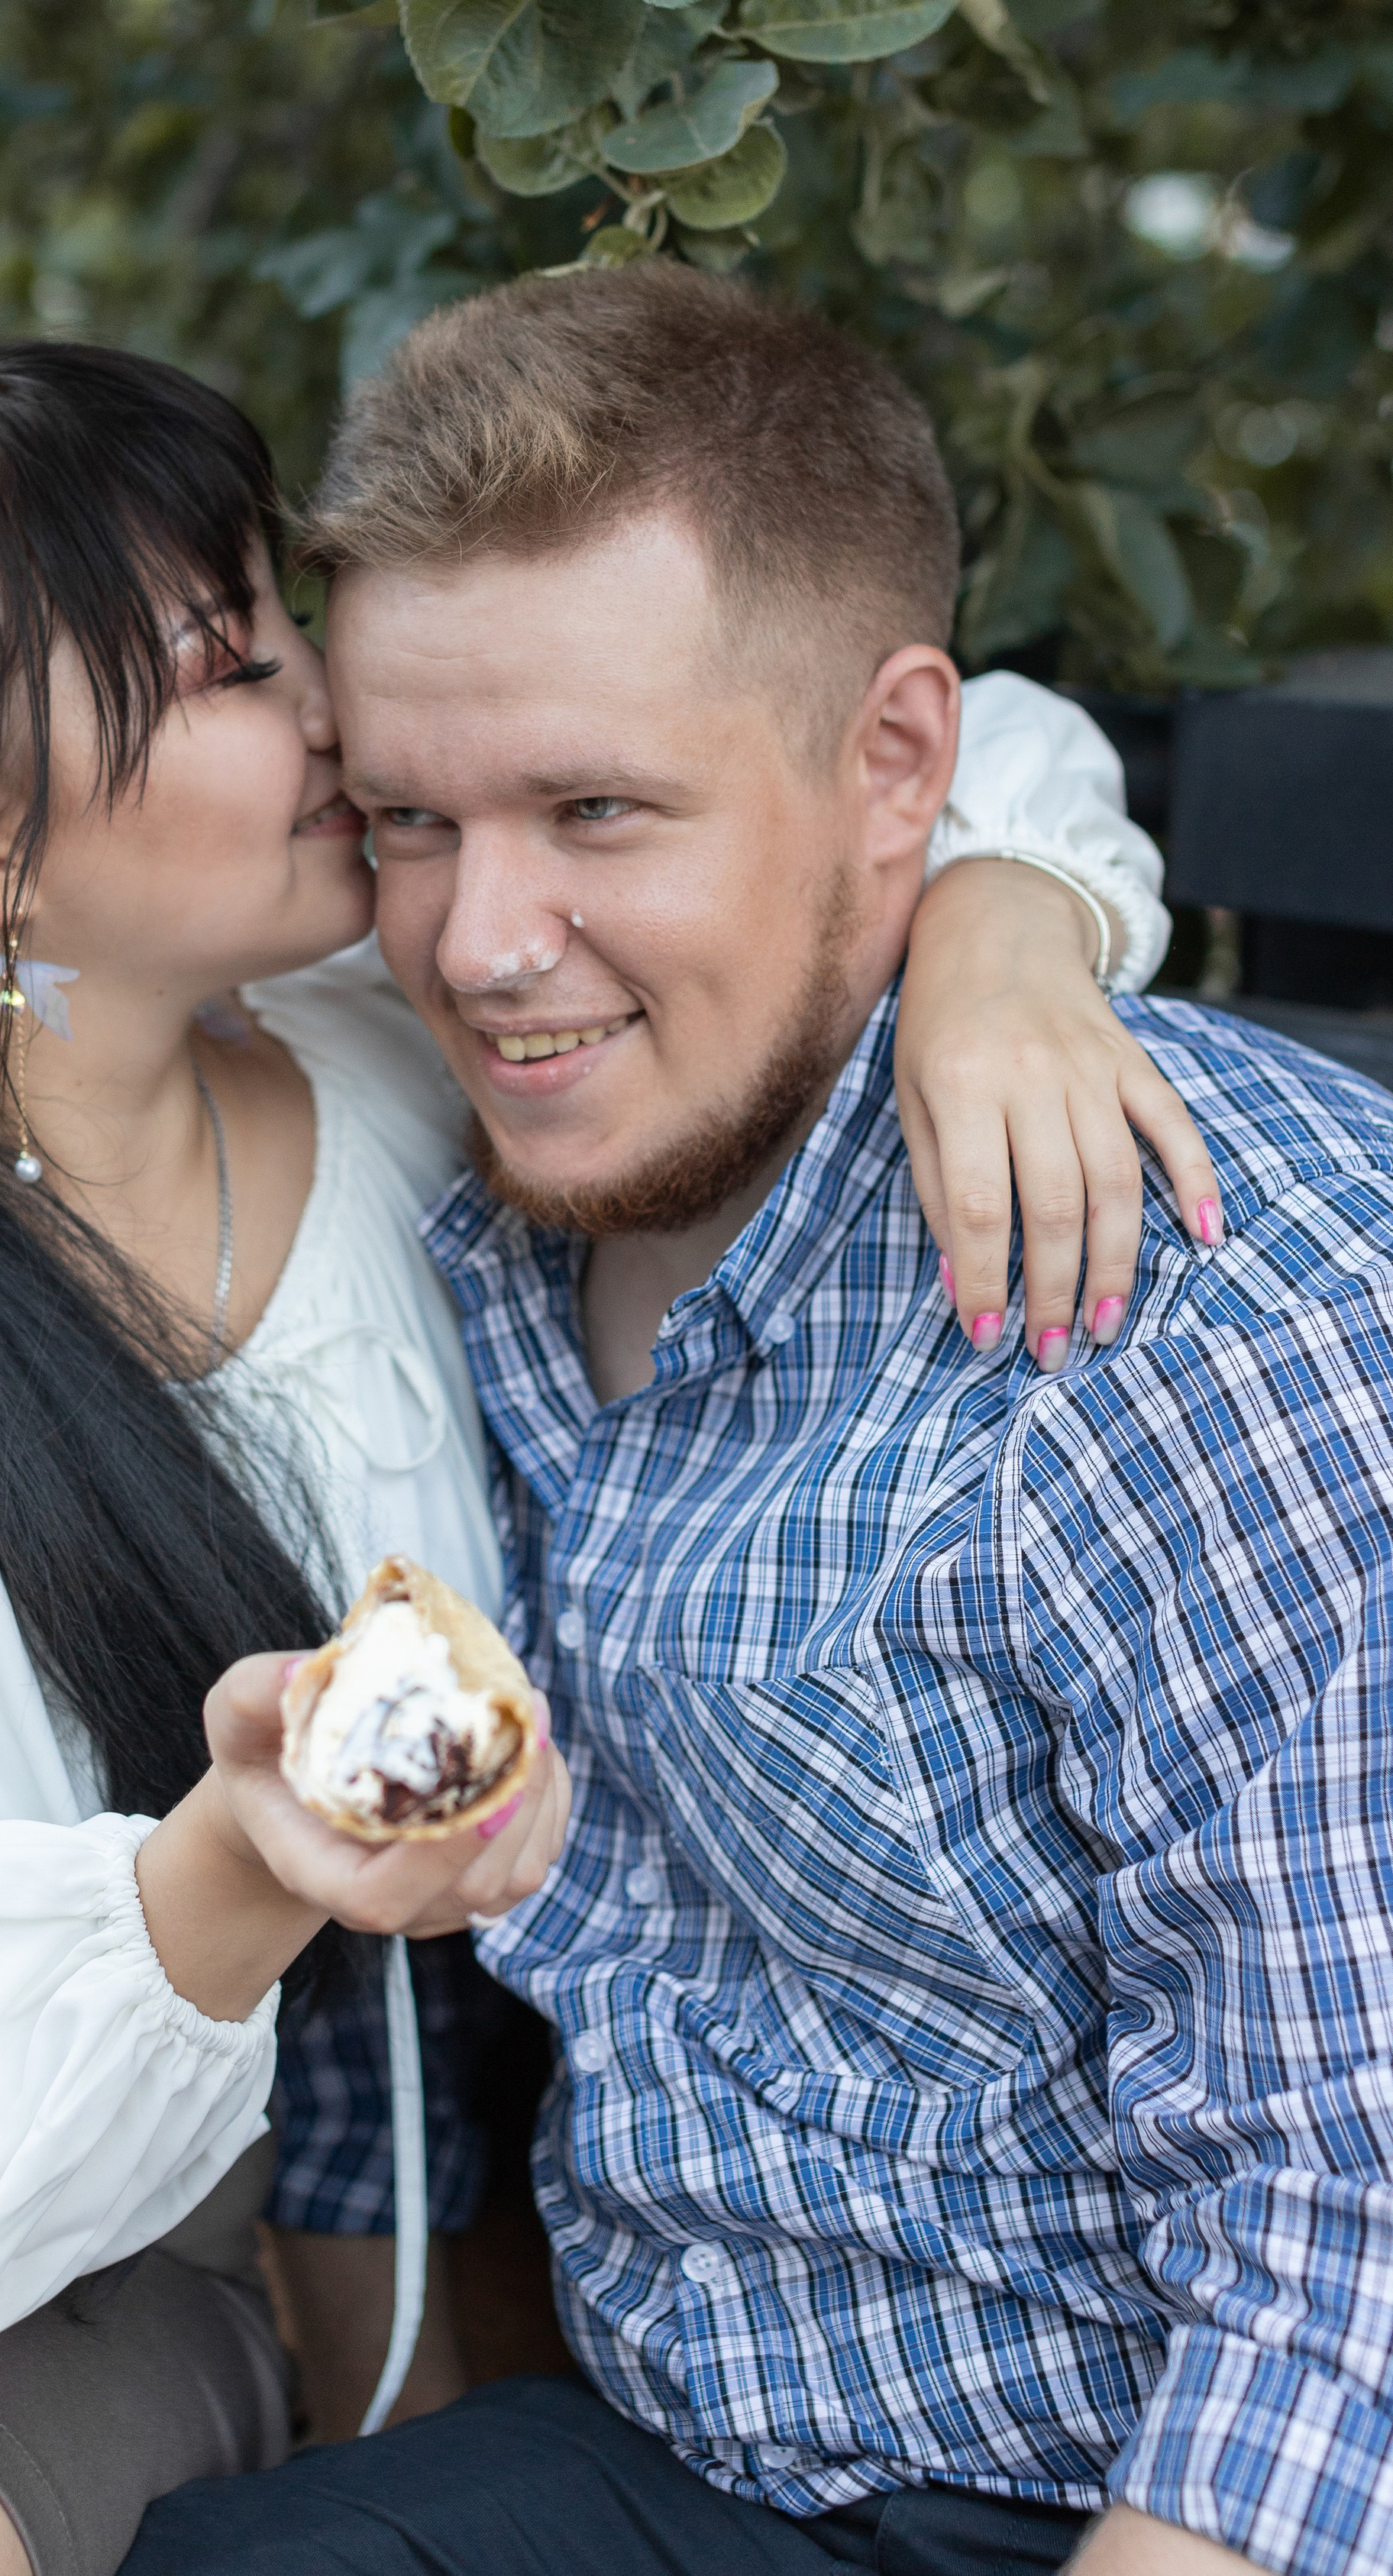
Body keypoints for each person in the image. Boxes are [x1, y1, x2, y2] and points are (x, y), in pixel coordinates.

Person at [0, 336, 1198, 2576]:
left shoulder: (386, 1065)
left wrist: (1005, 939)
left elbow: (880, 716)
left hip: (38, 2238)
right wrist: (243, 1862)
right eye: (224, 663)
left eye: (272, 620)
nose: (336, 717)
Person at [123, 265, 1393, 2576]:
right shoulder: (465, 1202)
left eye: (598, 810)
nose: (484, 940)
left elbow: (1356, 2256)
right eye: (408, 818)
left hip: (1132, 2494)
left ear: (901, 767)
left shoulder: (1198, 1301)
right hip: (706, 2459)